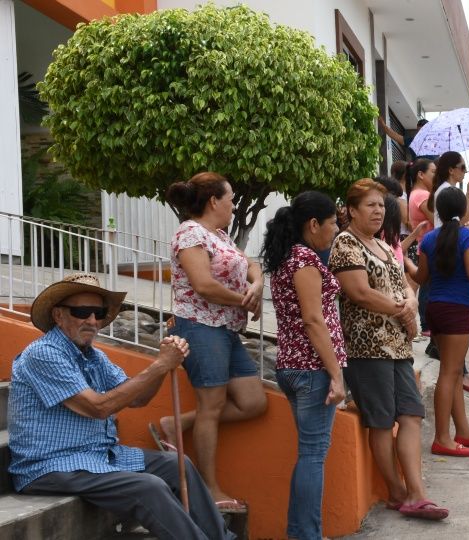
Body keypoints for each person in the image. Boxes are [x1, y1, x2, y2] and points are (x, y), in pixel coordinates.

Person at [8, 273, 235, 540]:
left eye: (98, 312)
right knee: (148, 487)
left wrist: (165, 363)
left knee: (178, 464)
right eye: (82, 312)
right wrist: (160, 365)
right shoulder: (44, 353)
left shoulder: (94, 355)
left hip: (96, 456)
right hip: (49, 466)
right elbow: (98, 408)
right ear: (58, 315)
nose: (92, 321)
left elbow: (139, 398)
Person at [329, 179, 448, 520]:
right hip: (368, 347)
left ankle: (417, 492)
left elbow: (406, 285)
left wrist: (410, 303)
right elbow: (359, 293)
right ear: (351, 210)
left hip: (397, 347)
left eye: (381, 205)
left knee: (410, 414)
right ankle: (397, 491)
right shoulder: (347, 244)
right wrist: (402, 309)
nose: (379, 210)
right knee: (381, 422)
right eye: (370, 205)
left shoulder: (382, 244)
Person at [161, 172, 267, 510]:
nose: (234, 206)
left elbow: (248, 263)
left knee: (253, 402)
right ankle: (208, 489)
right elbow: (203, 285)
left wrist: (257, 283)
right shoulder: (190, 233)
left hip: (225, 329)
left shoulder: (218, 234)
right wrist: (244, 300)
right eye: (231, 199)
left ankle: (173, 425)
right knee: (212, 407)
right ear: (213, 201)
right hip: (199, 326)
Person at [261, 192, 347, 539]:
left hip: (292, 365)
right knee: (313, 455)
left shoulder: (287, 257)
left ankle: (303, 531)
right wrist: (336, 375)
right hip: (312, 369)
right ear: (314, 224)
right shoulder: (305, 260)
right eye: (333, 223)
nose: (336, 230)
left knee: (308, 453)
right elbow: (313, 320)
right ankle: (304, 534)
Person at [415, 187, 469, 457]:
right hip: (457, 309)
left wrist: (403, 260)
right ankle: (442, 438)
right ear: (463, 210)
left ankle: (463, 431)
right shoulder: (467, 236)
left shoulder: (428, 238)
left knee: (454, 372)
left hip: (435, 309)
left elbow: (421, 277)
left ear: (438, 210)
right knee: (450, 373)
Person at [407, 159, 437, 338]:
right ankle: (426, 324)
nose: (436, 175)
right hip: (430, 245)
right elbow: (436, 219)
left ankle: (426, 324)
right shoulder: (422, 195)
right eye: (433, 172)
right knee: (428, 286)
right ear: (420, 174)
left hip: (425, 244)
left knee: (426, 284)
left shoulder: (416, 193)